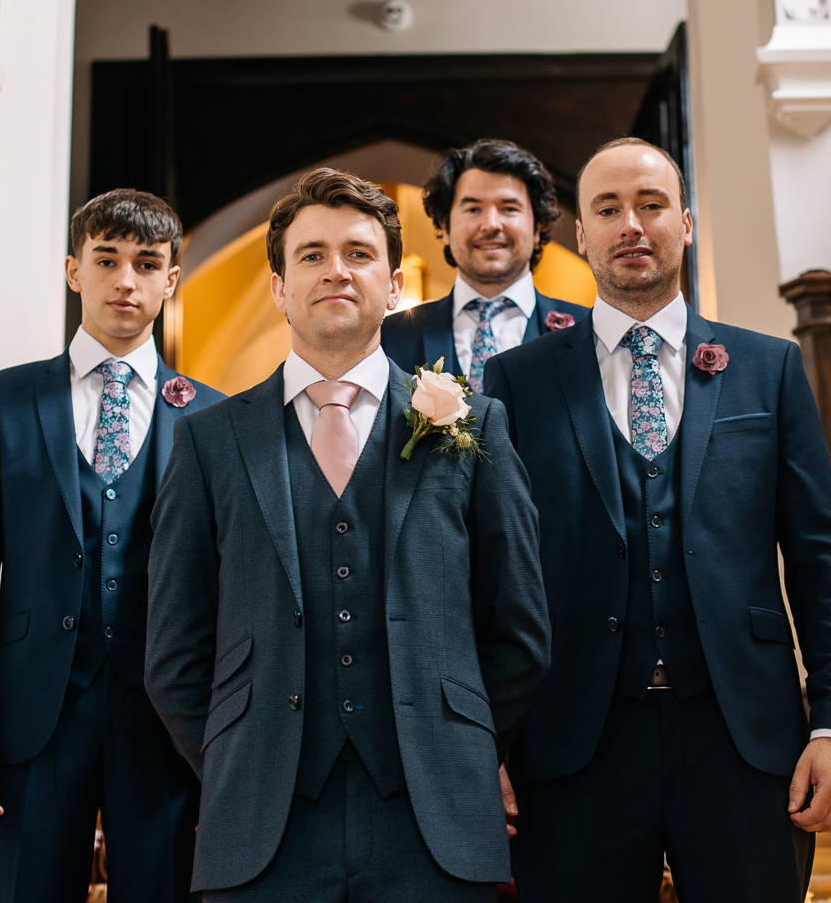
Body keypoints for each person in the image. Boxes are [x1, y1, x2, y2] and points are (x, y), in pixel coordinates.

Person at [484, 137, 831, 903]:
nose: (632, 224)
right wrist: (484, 740)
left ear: (686, 225)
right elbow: (487, 574)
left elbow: (823, 557)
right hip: (571, 746)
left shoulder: (769, 368)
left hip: (743, 740)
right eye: (608, 209)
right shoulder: (517, 381)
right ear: (580, 237)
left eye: (652, 205)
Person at [145, 167, 550, 901]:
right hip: (262, 830)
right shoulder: (207, 442)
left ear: (395, 286)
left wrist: (460, 746)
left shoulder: (475, 424)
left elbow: (518, 627)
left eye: (359, 254)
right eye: (312, 255)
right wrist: (242, 756)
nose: (337, 270)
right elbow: (174, 648)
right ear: (278, 288)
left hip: (437, 824)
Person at [0, 189, 223, 903]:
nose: (127, 280)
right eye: (107, 260)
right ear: (74, 270)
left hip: (167, 724)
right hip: (31, 719)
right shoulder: (3, 401)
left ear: (170, 280)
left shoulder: (213, 416)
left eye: (147, 263)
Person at [381, 139, 589, 385]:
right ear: (444, 226)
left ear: (537, 227)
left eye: (509, 208)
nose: (491, 224)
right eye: (473, 209)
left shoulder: (589, 331)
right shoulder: (389, 337)